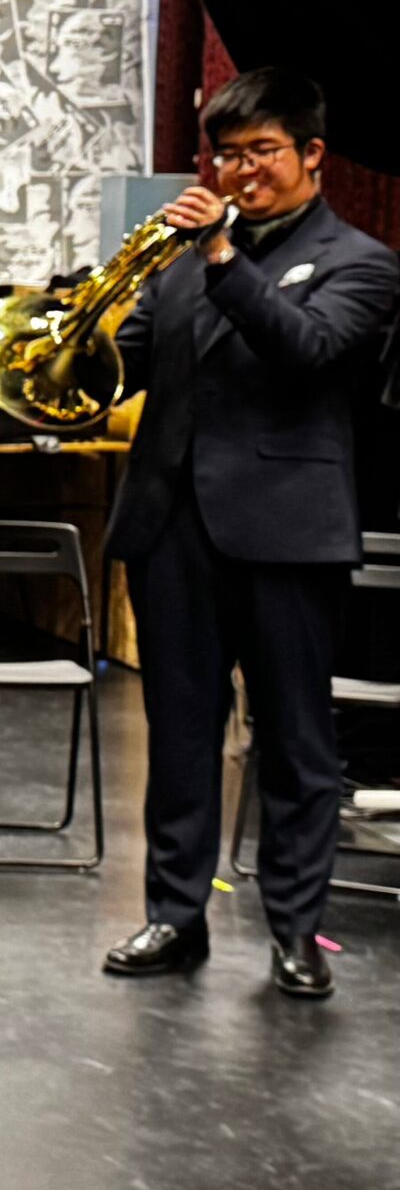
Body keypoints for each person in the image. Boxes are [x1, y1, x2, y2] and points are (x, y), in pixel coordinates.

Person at [100, 68, 400, 998]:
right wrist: (75, 331)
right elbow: (125, 361)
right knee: (180, 733)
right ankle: (173, 915)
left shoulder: (361, 260)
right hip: (173, 528)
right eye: (226, 155)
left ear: (312, 155)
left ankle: (296, 932)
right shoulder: (182, 263)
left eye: (261, 152)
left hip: (286, 533)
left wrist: (224, 258)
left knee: (297, 741)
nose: (241, 171)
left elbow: (308, 352)